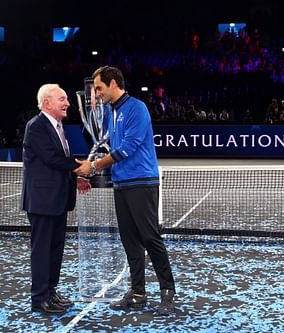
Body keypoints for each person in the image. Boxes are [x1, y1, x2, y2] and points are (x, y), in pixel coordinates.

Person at [75, 66, 176, 316]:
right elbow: (111, 146)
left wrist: (95, 165)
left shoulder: (137, 108)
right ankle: (138, 293)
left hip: (142, 181)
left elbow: (128, 148)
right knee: (130, 240)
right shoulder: (110, 113)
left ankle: (167, 291)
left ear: (113, 84)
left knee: (150, 237)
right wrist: (95, 164)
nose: (96, 93)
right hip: (121, 183)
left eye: (99, 87)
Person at [22, 83, 91, 315]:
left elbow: (60, 160)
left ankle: (50, 292)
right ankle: (39, 298)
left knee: (55, 249)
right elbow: (52, 158)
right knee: (42, 251)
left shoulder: (59, 127)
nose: (68, 103)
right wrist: (81, 168)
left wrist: (76, 177)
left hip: (58, 200)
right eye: (62, 99)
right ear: (47, 102)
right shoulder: (37, 126)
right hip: (42, 201)